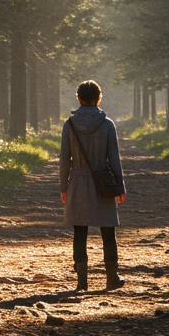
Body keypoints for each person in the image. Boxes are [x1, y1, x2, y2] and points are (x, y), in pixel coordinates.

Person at [59, 80, 127, 291]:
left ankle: (82, 282)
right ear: (99, 98)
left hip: (77, 183)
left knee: (80, 231)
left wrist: (63, 187)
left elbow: (64, 160)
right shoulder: (107, 125)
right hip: (102, 182)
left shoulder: (69, 125)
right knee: (108, 231)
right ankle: (112, 278)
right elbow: (114, 159)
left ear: (78, 99)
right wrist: (120, 186)